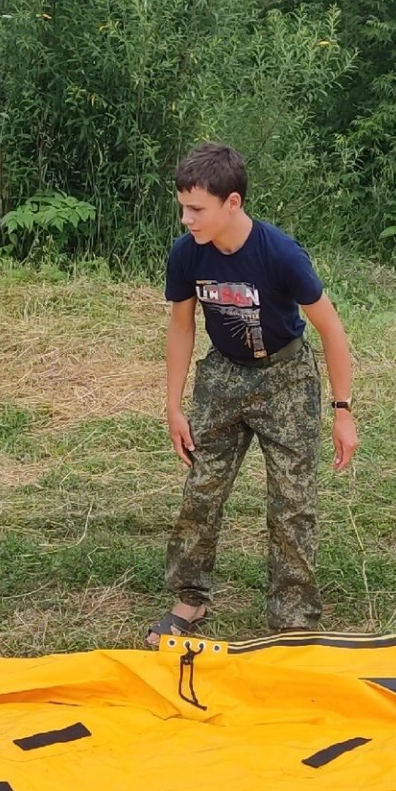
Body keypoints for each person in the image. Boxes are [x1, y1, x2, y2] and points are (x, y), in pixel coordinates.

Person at [148, 142, 357, 646]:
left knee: (292, 500)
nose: (186, 219)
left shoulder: (280, 253)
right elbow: (182, 327)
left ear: (232, 204)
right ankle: (189, 600)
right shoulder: (186, 254)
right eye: (183, 207)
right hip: (222, 376)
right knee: (203, 489)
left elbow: (331, 330)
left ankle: (292, 617)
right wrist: (174, 405)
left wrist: (342, 411)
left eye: (196, 209)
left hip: (285, 378)